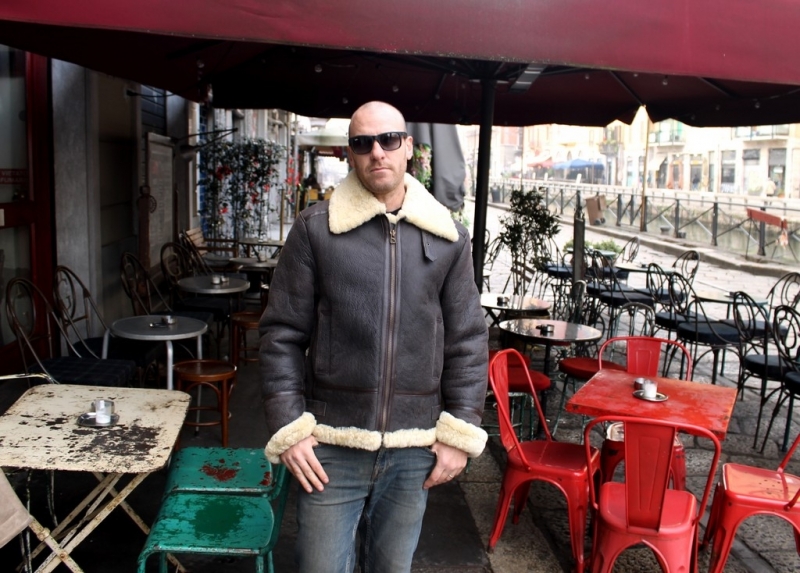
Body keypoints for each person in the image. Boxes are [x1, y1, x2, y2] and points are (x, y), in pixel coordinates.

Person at [259, 101, 489, 573]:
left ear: (408, 147)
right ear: (350, 153)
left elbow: (467, 339)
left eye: (388, 140)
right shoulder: (315, 229)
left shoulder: (447, 236)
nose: (377, 152)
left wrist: (459, 433)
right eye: (363, 143)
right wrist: (290, 427)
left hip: (414, 448)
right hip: (330, 447)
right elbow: (281, 334)